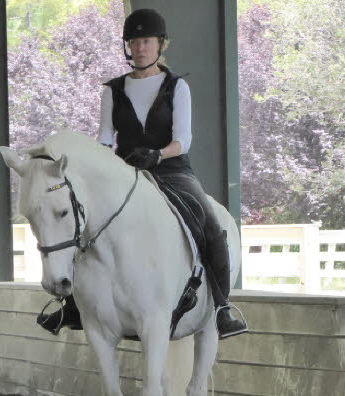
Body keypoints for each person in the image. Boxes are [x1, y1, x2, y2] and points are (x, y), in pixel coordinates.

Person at [38, 8, 247, 339]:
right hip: (124, 171)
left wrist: (158, 154)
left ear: (161, 44)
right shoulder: (112, 91)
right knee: (82, 223)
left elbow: (183, 140)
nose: (139, 48)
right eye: (133, 42)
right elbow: (105, 140)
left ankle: (222, 307)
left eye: (146, 41)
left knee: (209, 223)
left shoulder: (176, 87)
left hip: (172, 169)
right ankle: (74, 306)